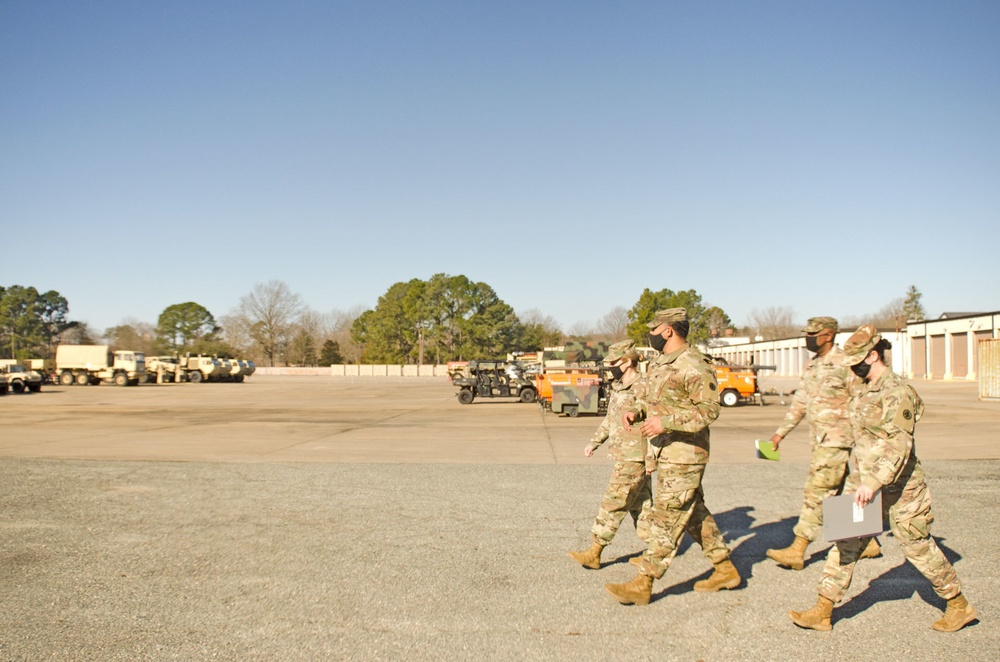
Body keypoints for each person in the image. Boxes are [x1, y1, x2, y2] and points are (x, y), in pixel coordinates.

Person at [788, 325, 978, 633]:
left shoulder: (896, 391)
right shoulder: (866, 388)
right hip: (867, 485)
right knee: (847, 541)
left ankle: (958, 605)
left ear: (874, 355)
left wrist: (873, 483)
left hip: (900, 485)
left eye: (857, 362)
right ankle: (822, 610)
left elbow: (899, 444)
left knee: (916, 545)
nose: (853, 369)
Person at [604, 308, 740, 606]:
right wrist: (636, 411)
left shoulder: (694, 364)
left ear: (668, 330)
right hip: (666, 450)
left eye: (654, 328)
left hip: (686, 454)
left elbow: (709, 410)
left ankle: (644, 583)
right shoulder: (661, 363)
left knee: (667, 516)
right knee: (693, 513)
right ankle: (725, 569)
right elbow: (653, 400)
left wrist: (666, 423)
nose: (650, 333)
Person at [767, 317, 880, 570]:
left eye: (813, 333)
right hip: (819, 440)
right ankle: (867, 541)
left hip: (837, 440)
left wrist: (865, 441)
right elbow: (799, 404)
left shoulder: (846, 363)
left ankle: (798, 549)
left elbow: (860, 400)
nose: (808, 337)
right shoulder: (810, 366)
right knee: (841, 491)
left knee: (817, 492)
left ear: (828, 335)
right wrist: (779, 434)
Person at [568, 339, 652, 569]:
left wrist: (635, 413)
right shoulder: (618, 387)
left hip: (634, 456)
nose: (609, 367)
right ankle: (656, 550)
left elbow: (646, 409)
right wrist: (594, 443)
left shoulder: (642, 386)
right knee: (641, 505)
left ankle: (595, 551)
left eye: (613, 362)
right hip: (624, 453)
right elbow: (610, 421)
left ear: (626, 362)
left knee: (613, 502)